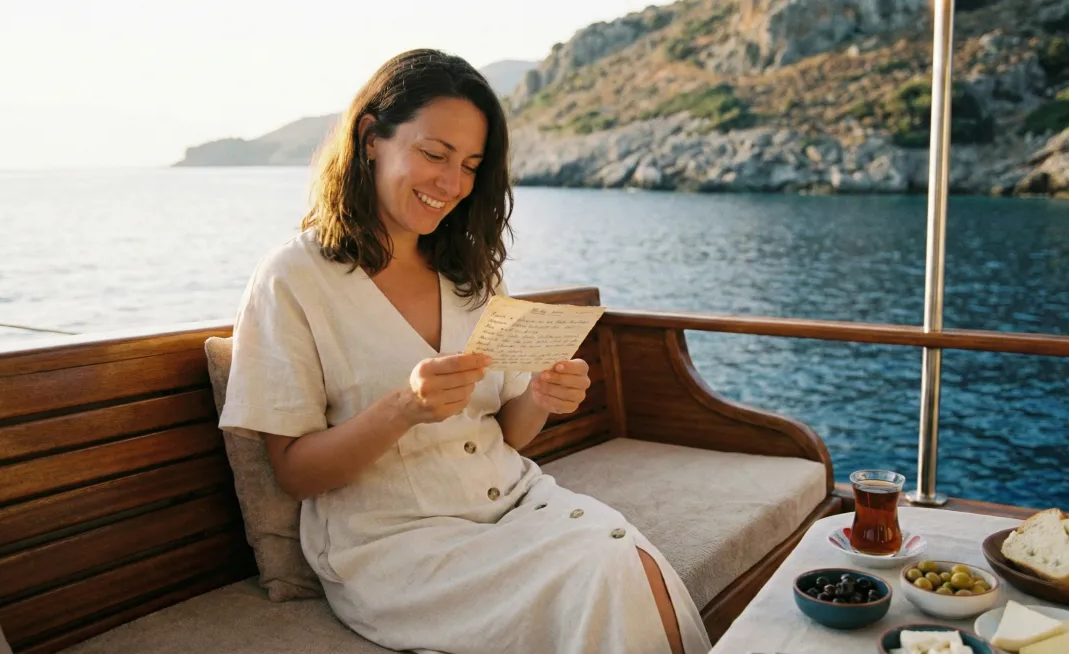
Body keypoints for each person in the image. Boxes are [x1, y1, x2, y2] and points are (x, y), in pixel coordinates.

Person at [219, 48, 711, 654]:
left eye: (472, 166)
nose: (451, 185)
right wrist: (404, 407)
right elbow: (294, 473)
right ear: (372, 137)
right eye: (434, 154)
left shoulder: (470, 275)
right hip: (395, 546)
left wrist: (540, 396)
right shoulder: (293, 278)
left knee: (630, 557)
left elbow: (508, 433)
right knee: (605, 570)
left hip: (515, 502)